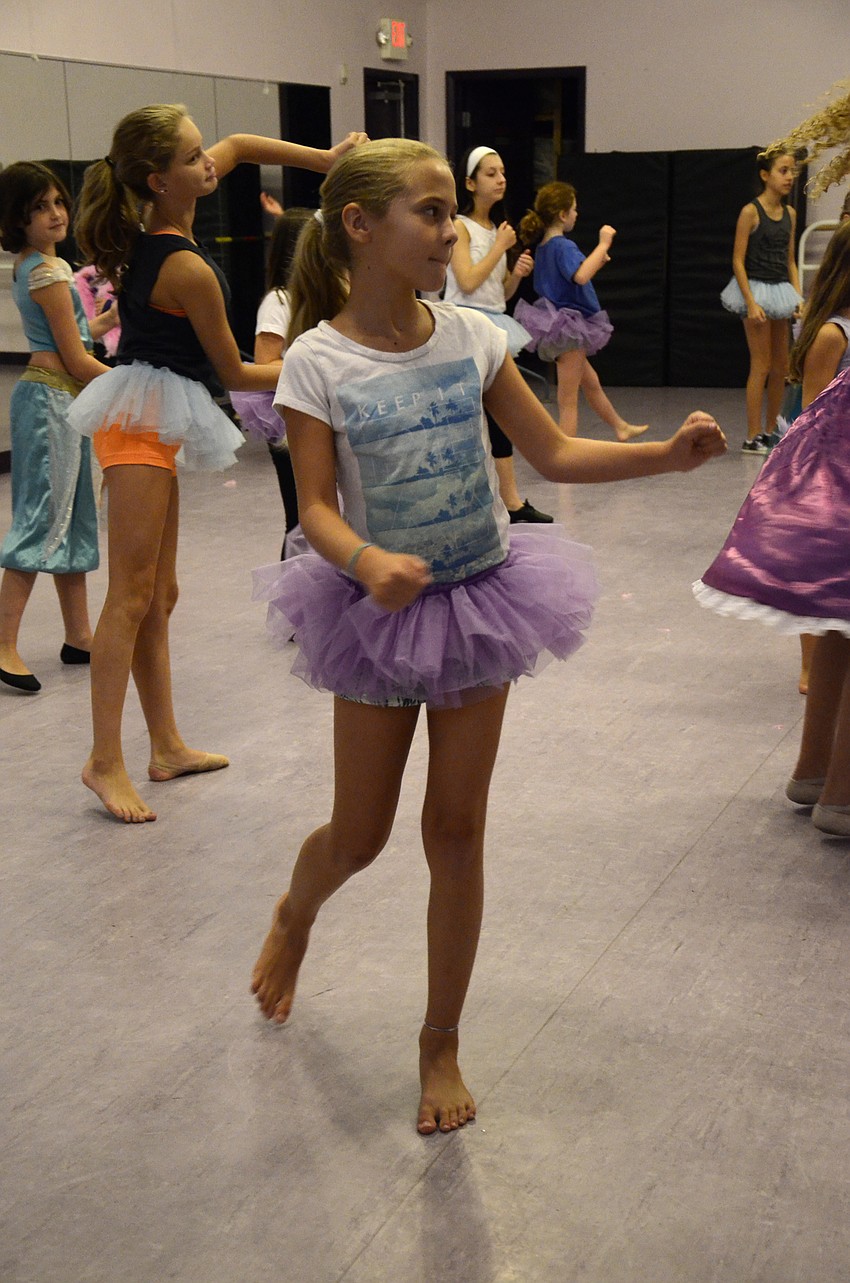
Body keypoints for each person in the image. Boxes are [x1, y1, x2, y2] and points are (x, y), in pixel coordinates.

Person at [249, 138, 726, 1135]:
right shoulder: (315, 361)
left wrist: (669, 463)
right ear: (360, 225)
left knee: (455, 830)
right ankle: (297, 912)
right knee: (361, 833)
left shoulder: (471, 334)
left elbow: (550, 451)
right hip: (376, 619)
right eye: (429, 212)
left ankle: (440, 1039)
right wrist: (360, 562)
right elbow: (318, 507)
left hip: (477, 601)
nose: (449, 230)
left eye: (446, 212)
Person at [68, 103, 366, 823]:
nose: (211, 163)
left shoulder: (160, 221)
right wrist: (323, 354)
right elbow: (234, 371)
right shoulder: (183, 267)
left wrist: (324, 160)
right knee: (130, 595)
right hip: (138, 424)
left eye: (204, 153)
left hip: (155, 413)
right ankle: (104, 758)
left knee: (159, 593)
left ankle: (164, 742)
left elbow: (239, 144)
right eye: (194, 157)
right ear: (158, 178)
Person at [0, 162, 111, 694]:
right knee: (43, 520)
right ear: (16, 219)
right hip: (52, 400)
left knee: (74, 516)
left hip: (59, 401)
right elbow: (75, 356)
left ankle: (79, 634)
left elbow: (79, 335)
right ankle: (2, 644)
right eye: (39, 208)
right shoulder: (48, 271)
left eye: (58, 203)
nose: (55, 214)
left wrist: (107, 323)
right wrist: (137, 388)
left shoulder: (39, 264)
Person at [443, 145, 551, 523]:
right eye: (490, 173)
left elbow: (498, 294)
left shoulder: (496, 229)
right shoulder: (460, 226)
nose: (501, 179)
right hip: (465, 328)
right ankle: (504, 501)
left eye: (502, 172)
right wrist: (501, 248)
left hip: (492, 323)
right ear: (470, 183)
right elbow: (468, 281)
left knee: (498, 417)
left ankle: (510, 501)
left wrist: (516, 275)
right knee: (479, 418)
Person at [514, 181, 648, 443]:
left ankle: (620, 427)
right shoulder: (563, 246)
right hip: (568, 328)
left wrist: (597, 259)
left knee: (591, 383)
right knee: (568, 400)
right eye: (574, 209)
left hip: (559, 326)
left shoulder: (544, 247)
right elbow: (581, 276)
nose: (577, 214)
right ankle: (566, 455)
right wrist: (603, 244)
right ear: (563, 214)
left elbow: (572, 277)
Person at [787, 219, 850, 693]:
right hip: (829, 465)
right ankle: (811, 663)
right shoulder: (833, 335)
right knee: (816, 569)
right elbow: (813, 413)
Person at [230, 206, 314, 559]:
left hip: (313, 406)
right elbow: (265, 363)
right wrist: (317, 365)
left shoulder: (315, 298)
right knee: (300, 516)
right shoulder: (278, 301)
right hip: (286, 411)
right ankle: (296, 593)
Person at [720, 149, 803, 454]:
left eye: (791, 171)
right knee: (762, 363)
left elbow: (790, 260)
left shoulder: (791, 215)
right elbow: (738, 261)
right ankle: (753, 434)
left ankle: (773, 430)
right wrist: (751, 302)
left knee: (781, 366)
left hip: (780, 290)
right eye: (783, 171)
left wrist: (798, 295)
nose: (789, 177)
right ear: (765, 175)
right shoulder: (750, 212)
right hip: (755, 290)